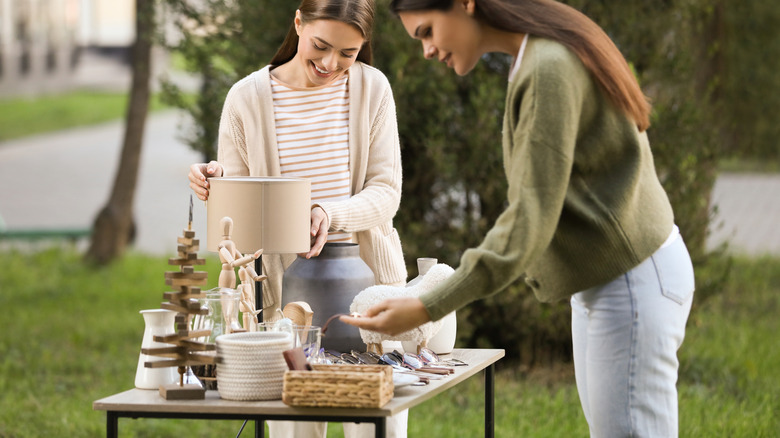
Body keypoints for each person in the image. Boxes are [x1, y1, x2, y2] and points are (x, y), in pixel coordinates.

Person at [342, 0, 695, 437]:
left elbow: (528, 221)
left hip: (630, 283)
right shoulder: (538, 57)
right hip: (615, 281)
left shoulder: (547, 67)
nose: (427, 51)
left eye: (427, 31)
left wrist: (424, 305)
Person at [187, 0, 409, 437]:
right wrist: (217, 182)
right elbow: (240, 215)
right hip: (282, 304)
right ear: (297, 23)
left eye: (348, 54)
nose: (331, 64)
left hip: (371, 294)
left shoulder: (372, 89)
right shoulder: (246, 99)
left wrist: (330, 212)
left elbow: (386, 193)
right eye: (321, 46)